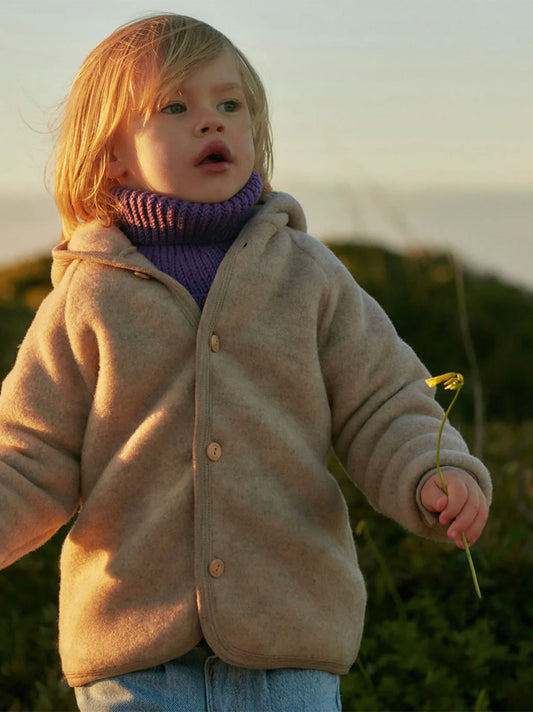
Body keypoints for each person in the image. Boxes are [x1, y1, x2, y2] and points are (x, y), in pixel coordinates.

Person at [0, 13, 491, 712]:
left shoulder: (309, 276)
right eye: (176, 106)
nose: (211, 123)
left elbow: (384, 402)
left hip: (290, 646)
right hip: (134, 662)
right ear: (110, 153)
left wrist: (430, 470)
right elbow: (28, 452)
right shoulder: (88, 295)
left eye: (229, 104)